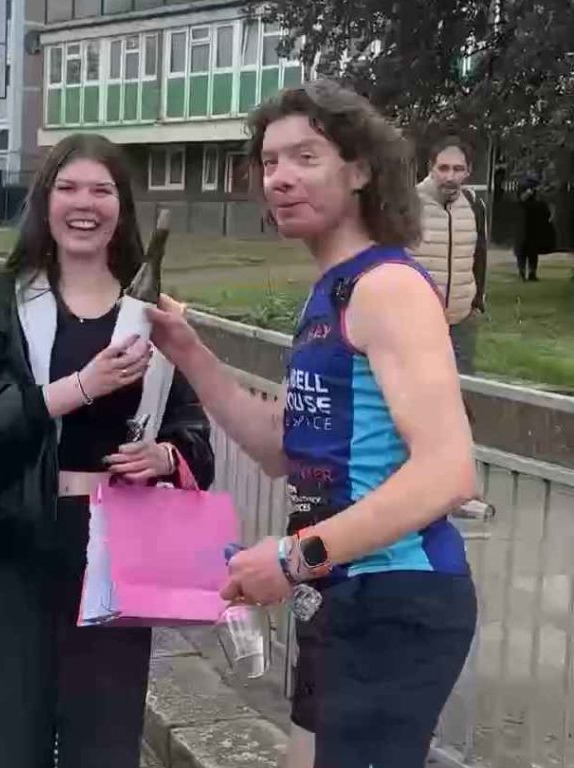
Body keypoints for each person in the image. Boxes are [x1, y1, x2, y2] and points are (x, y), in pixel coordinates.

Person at [148, 81, 478, 768]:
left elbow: (447, 472)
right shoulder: (331, 291)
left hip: (396, 595)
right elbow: (282, 452)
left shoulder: (387, 286)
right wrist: (189, 352)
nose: (281, 179)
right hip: (339, 594)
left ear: (359, 170)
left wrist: (292, 558)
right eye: (270, 163)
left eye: (305, 157)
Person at [0, 133, 213, 768]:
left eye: (102, 190)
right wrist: (81, 388)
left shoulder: (155, 314)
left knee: (105, 744)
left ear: (122, 206)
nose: (85, 204)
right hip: (15, 541)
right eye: (69, 188)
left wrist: (166, 457)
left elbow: (195, 434)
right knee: (9, 739)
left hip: (116, 551)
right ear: (45, 201)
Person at [412, 136, 488, 374]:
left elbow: (480, 256)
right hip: (414, 322)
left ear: (468, 172)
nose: (450, 176)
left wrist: (476, 304)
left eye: (458, 169)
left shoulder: (475, 206)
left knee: (462, 391)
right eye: (443, 168)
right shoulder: (407, 205)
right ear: (430, 168)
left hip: (461, 320)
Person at [514, 178, 556, 282]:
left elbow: (546, 210)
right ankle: (522, 273)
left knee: (532, 251)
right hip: (523, 227)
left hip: (534, 228)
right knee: (522, 251)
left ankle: (532, 273)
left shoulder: (538, 200)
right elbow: (521, 200)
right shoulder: (522, 197)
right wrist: (529, 192)